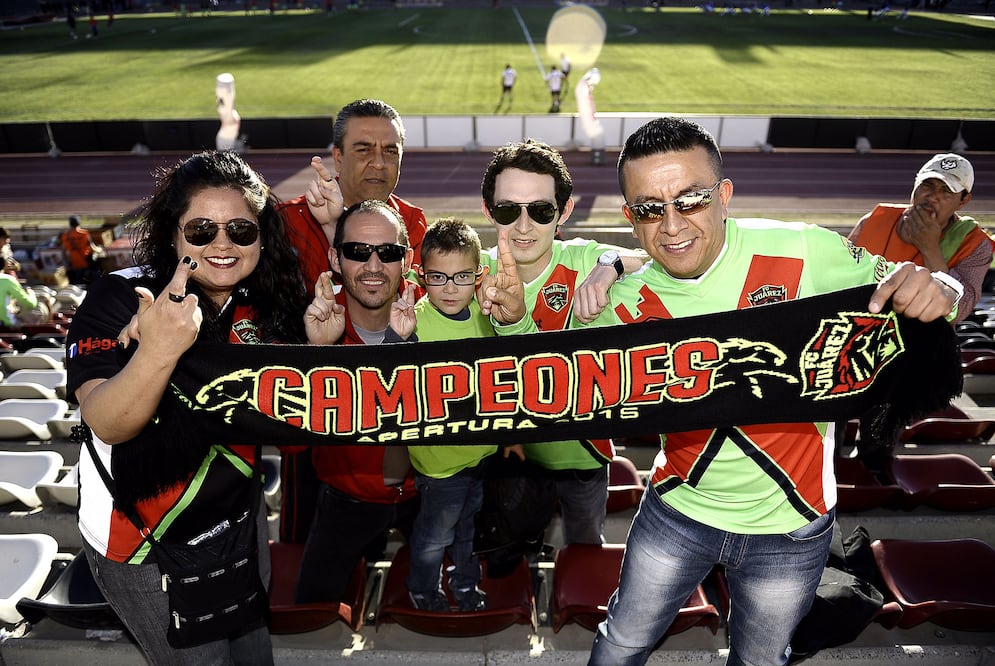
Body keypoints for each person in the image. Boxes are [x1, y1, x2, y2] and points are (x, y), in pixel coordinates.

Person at [488, 117, 959, 665]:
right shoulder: (621, 303)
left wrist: (941, 284)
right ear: (630, 219)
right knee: (620, 642)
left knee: (759, 661)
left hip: (792, 528)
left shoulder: (805, 251)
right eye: (648, 208)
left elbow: (913, 288)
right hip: (675, 514)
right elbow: (541, 385)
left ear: (724, 196)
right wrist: (515, 322)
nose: (670, 224)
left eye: (689, 199)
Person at [66, 150, 313, 665]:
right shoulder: (119, 296)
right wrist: (157, 352)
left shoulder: (264, 301)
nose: (222, 244)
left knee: (253, 658)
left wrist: (320, 345)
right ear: (173, 234)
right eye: (201, 230)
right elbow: (106, 422)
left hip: (238, 520)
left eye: (241, 231)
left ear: (262, 236)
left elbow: (295, 421)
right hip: (141, 538)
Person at [478, 139, 648, 547]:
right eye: (507, 210)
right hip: (505, 460)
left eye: (540, 211)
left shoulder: (586, 259)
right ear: (487, 211)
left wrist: (612, 266)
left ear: (564, 211)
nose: (523, 226)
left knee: (586, 544)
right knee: (507, 549)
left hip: (584, 456)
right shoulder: (469, 272)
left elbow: (656, 258)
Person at [278, 98, 428, 544]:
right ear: (337, 157)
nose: (379, 164)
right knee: (311, 585)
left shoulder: (416, 225)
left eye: (391, 150)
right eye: (364, 150)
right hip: (319, 436)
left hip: (401, 430)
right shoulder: (287, 225)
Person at [294, 199, 421, 604]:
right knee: (312, 610)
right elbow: (291, 443)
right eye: (356, 252)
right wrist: (319, 357)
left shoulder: (442, 310)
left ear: (408, 258)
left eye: (388, 253)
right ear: (334, 256)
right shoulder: (311, 320)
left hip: (429, 494)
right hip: (344, 496)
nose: (372, 265)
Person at [388, 217, 497, 612]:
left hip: (481, 455)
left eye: (461, 276)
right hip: (437, 463)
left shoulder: (488, 317)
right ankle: (423, 587)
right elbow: (387, 380)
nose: (450, 288)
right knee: (436, 535)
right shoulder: (414, 321)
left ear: (479, 275)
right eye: (439, 277)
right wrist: (396, 340)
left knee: (469, 531)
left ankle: (466, 586)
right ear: (420, 275)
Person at [848, 153, 991, 324]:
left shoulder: (975, 244)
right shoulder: (873, 221)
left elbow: (959, 310)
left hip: (923, 339)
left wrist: (929, 247)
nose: (932, 196)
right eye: (927, 185)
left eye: (946, 191)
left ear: (963, 201)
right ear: (915, 184)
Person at [61, 215, 99, 284]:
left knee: (79, 282)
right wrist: (100, 250)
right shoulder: (85, 233)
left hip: (75, 262)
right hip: (87, 261)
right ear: (79, 223)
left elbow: (63, 251)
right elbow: (93, 248)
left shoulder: (65, 236)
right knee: (94, 279)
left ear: (70, 224)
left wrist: (68, 261)